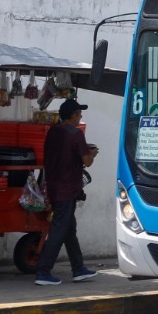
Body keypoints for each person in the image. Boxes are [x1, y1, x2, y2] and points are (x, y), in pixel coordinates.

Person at [35, 99, 98, 285]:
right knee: (59, 229)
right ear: (72, 116)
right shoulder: (76, 134)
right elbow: (87, 161)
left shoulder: (53, 131)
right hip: (67, 189)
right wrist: (91, 153)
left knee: (69, 229)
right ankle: (43, 271)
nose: (81, 117)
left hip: (54, 186)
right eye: (79, 113)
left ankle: (78, 268)